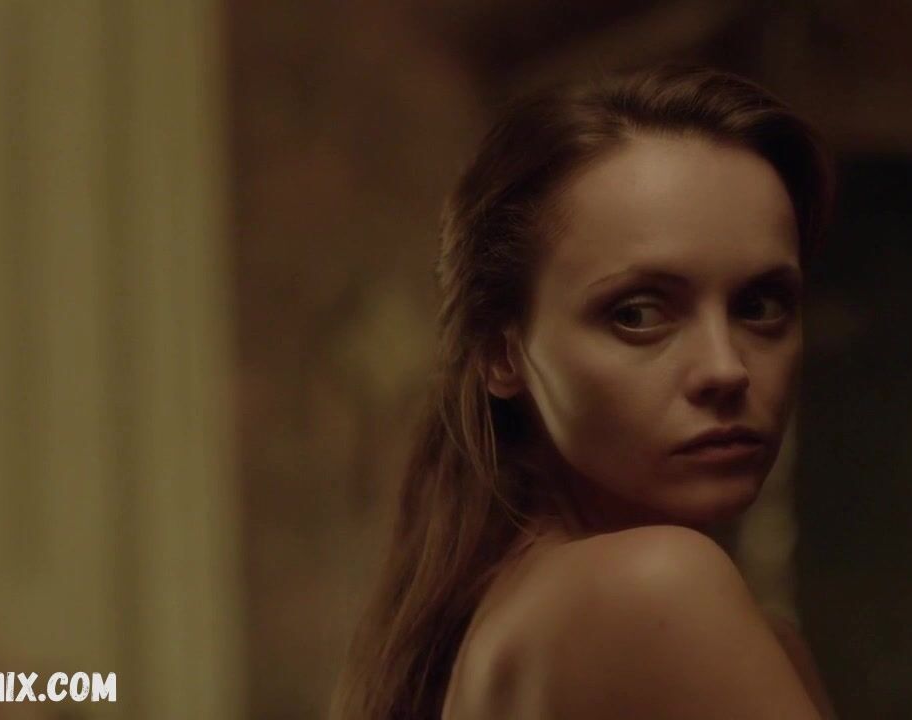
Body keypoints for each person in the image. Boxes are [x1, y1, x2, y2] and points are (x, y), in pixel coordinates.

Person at [331, 64, 835, 720]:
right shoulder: (657, 588)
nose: (725, 368)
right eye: (638, 314)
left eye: (760, 305)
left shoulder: (505, 615)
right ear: (501, 352)